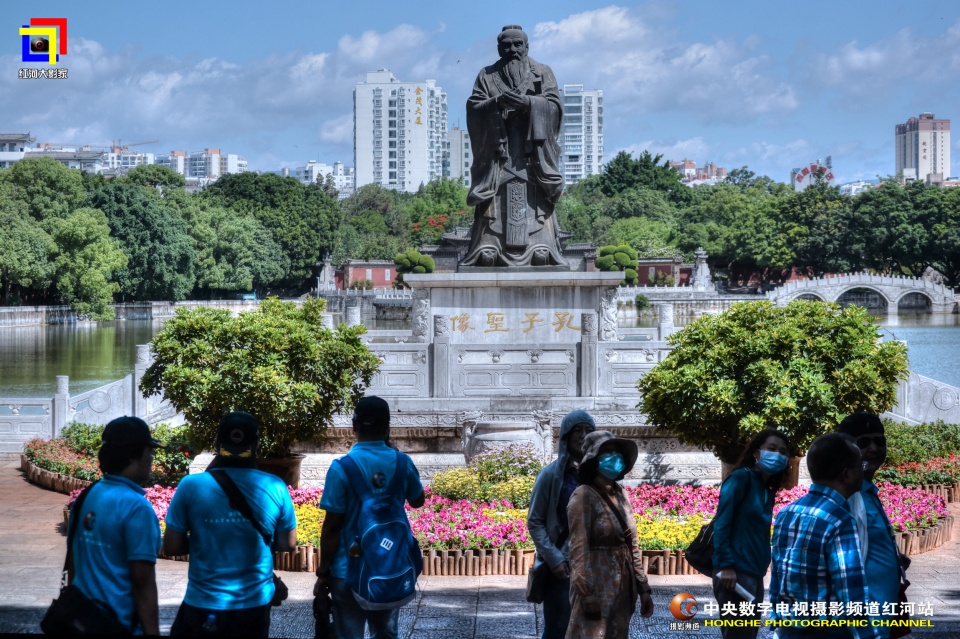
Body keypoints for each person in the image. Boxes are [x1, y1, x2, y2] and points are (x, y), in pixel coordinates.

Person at [163, 411, 297, 637]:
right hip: (255, 603)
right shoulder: (275, 486)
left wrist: (204, 538)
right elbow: (289, 544)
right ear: (255, 445)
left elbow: (172, 546)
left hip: (203, 602)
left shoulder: (190, 486)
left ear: (218, 442)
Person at [313, 396, 425, 639]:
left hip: (347, 571)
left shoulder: (341, 467)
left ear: (353, 425)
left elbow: (332, 527)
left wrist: (324, 571)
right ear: (387, 427)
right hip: (390, 566)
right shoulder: (402, 462)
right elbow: (418, 501)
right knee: (385, 634)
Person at [462, 25, 566, 267]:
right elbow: (474, 108)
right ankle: (488, 247)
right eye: (506, 45)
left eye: (517, 44)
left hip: (533, 154)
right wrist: (496, 103)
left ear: (526, 46)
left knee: (535, 197)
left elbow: (555, 107)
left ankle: (542, 246)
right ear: (499, 48)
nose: (512, 50)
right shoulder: (486, 75)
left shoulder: (542, 72)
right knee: (493, 200)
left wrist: (530, 103)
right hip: (499, 156)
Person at [769, 432, 880, 639]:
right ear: (847, 474)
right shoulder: (840, 519)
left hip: (789, 630)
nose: (863, 472)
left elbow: (778, 573)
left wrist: (776, 616)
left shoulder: (787, 513)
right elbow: (851, 590)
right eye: (860, 467)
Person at [66, 416, 163, 635]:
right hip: (120, 625)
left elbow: (74, 562)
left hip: (82, 622)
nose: (151, 459)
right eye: (150, 452)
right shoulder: (136, 507)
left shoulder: (86, 496)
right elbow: (142, 581)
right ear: (133, 455)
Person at [565, 430, 653, 639]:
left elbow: (633, 543)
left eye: (617, 451)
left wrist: (643, 587)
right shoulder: (582, 496)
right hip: (596, 587)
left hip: (622, 587)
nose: (615, 456)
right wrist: (588, 595)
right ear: (594, 459)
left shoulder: (621, 494)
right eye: (608, 451)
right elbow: (578, 550)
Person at [712, 429, 791, 639]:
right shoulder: (740, 478)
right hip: (734, 574)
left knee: (748, 633)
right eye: (772, 449)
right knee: (739, 634)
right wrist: (726, 565)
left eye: (783, 452)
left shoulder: (766, 488)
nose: (778, 455)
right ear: (757, 454)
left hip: (754, 573)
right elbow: (722, 522)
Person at [837, 413, 910, 637]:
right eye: (864, 442)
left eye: (879, 441)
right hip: (866, 617)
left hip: (884, 610)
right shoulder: (849, 495)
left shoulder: (867, 490)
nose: (873, 448)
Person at [527, 409, 597, 639]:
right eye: (578, 430)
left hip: (596, 566)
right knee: (558, 629)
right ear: (566, 436)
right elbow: (535, 521)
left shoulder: (600, 476)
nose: (584, 436)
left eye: (589, 431)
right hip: (562, 570)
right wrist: (555, 559)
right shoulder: (549, 476)